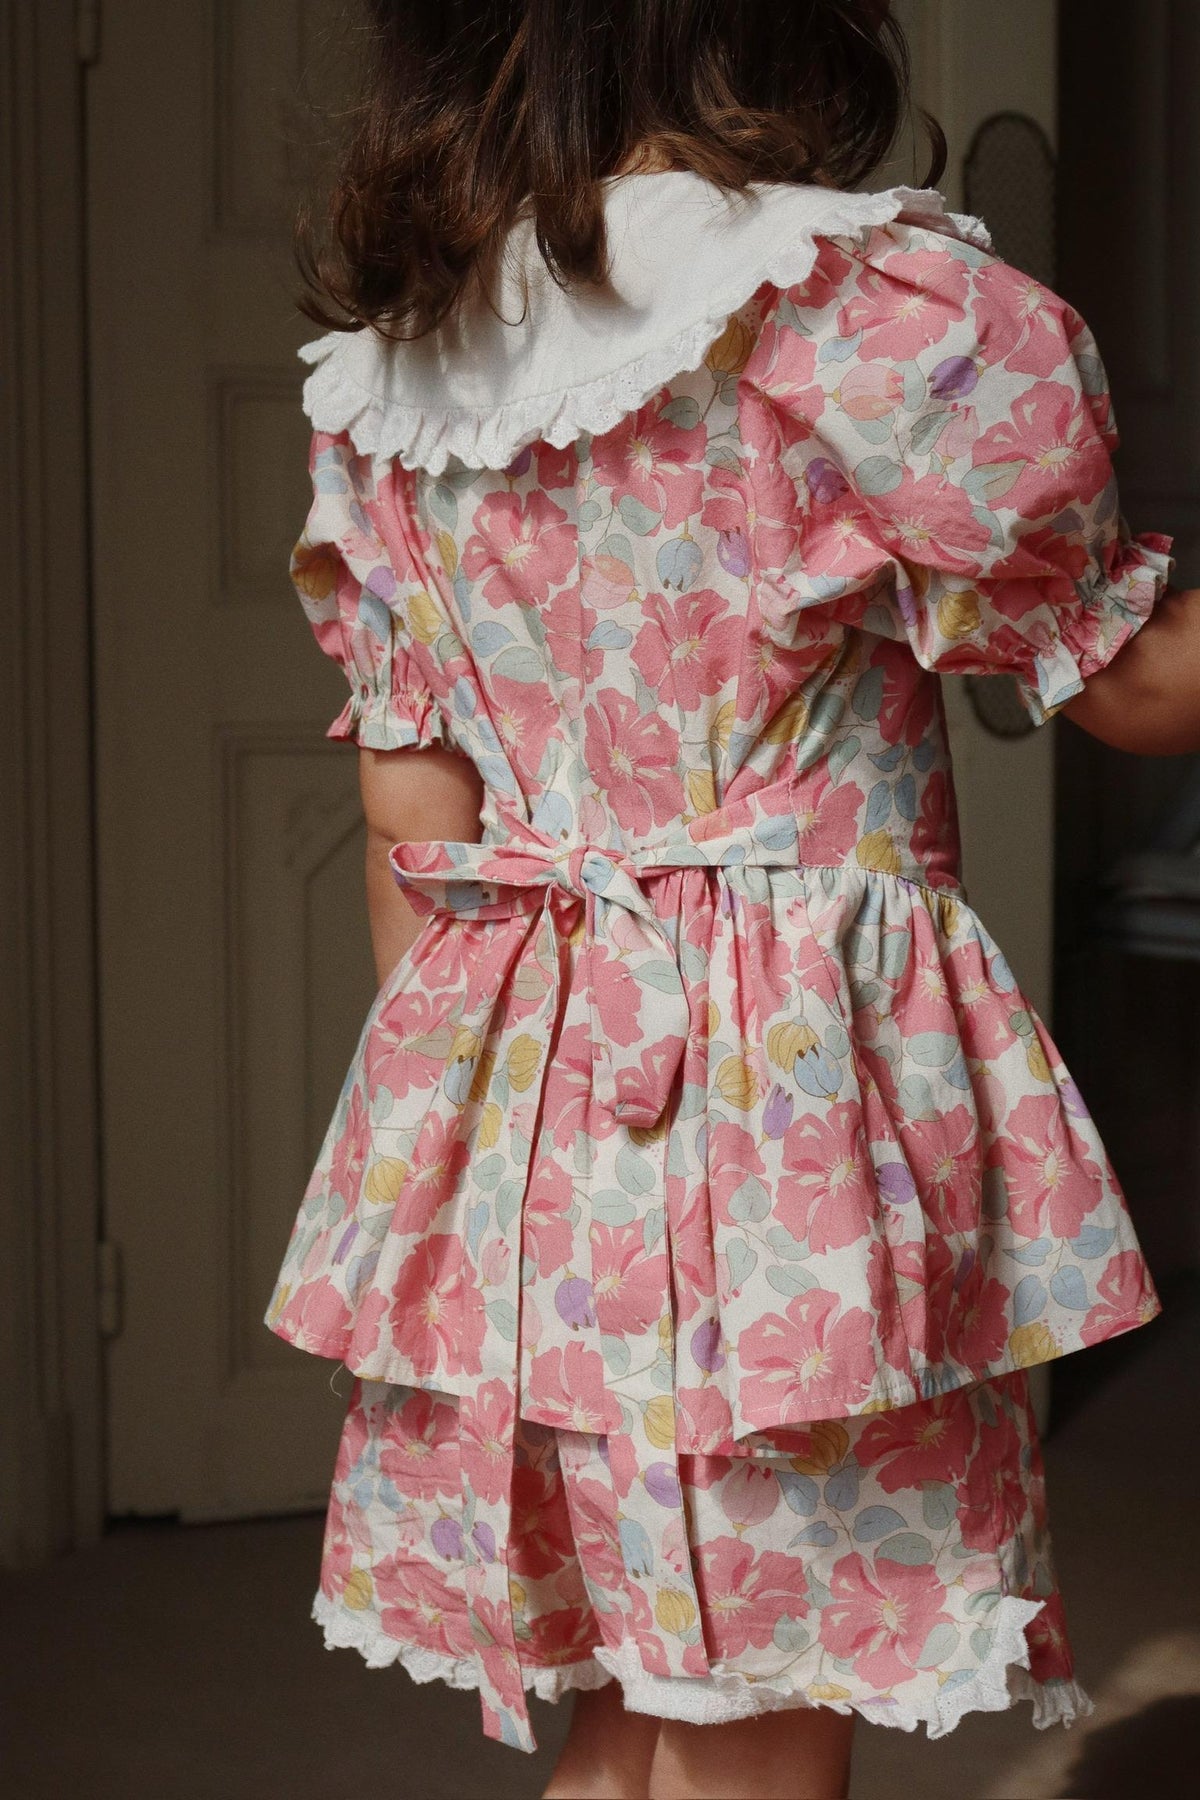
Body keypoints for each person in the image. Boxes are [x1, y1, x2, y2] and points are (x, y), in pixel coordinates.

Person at [262, 4, 1197, 1796]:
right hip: (785, 1135)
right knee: (760, 1705)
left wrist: (451, 1166)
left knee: (634, 1704)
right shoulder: (849, 314)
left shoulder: (409, 367)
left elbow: (413, 809)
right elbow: (1136, 679)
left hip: (525, 1121)